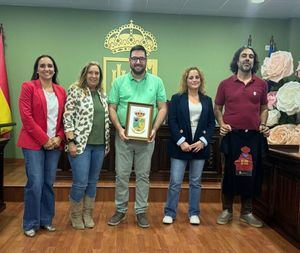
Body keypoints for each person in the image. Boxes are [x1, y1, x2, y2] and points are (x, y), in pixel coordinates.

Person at [107, 45, 167, 228]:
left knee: (143, 176)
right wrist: (119, 128)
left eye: (141, 58)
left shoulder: (157, 82)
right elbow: (112, 108)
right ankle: (120, 210)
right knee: (122, 175)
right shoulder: (118, 82)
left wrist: (155, 129)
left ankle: (141, 211)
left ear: (146, 61)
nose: (138, 62)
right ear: (129, 61)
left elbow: (163, 107)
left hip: (147, 137)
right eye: (134, 58)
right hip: (124, 135)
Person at [214, 46, 270, 228]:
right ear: (237, 60)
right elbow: (217, 108)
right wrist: (222, 124)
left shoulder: (261, 84)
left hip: (253, 137)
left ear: (254, 61)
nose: (247, 59)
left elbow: (264, 108)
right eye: (244, 56)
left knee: (250, 173)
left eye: (251, 56)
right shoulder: (225, 84)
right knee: (228, 172)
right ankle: (227, 210)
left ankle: (246, 212)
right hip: (231, 136)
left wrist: (263, 124)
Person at [17, 55, 66, 237]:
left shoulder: (61, 91)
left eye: (50, 66)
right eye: (42, 66)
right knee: (35, 183)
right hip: (33, 144)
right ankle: (30, 223)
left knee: (48, 183)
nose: (47, 69)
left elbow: (63, 119)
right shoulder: (28, 87)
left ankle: (46, 220)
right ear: (37, 69)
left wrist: (59, 138)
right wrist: (45, 139)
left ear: (54, 69)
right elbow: (26, 118)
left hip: (54, 145)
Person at [163, 67, 215, 225]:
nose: (194, 80)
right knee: (176, 181)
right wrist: (181, 141)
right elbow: (171, 121)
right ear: (186, 80)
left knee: (195, 182)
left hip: (199, 147)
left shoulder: (207, 100)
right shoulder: (177, 98)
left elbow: (212, 123)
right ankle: (170, 213)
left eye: (197, 77)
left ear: (201, 80)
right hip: (180, 146)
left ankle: (194, 213)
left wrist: (203, 141)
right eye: (191, 77)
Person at [63, 61, 110, 230]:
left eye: (97, 73)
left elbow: (105, 121)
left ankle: (87, 213)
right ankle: (75, 214)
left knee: (92, 182)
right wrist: (71, 141)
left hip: (99, 146)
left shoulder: (103, 95)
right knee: (81, 182)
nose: (93, 76)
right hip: (80, 145)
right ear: (85, 74)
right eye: (90, 72)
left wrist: (107, 145)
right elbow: (67, 117)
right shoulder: (75, 91)